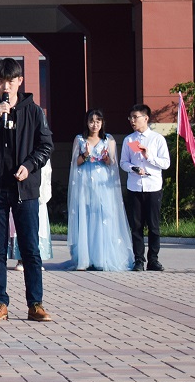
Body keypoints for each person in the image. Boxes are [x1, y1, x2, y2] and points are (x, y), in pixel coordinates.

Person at [0, 57, 54, 322]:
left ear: (20, 81)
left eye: (10, 81)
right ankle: (0, 303)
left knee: (30, 248)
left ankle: (35, 304)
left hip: (24, 189)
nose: (5, 86)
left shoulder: (34, 111)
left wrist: (29, 166)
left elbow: (46, 146)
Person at [67, 109, 134, 271]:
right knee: (86, 215)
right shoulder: (80, 139)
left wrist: (106, 158)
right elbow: (75, 163)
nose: (94, 124)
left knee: (103, 215)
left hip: (103, 183)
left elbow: (112, 163)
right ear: (87, 122)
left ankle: (102, 257)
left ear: (102, 123)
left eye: (98, 121)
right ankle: (85, 258)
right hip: (85, 182)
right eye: (91, 121)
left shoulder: (108, 139)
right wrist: (85, 154)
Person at [120, 103, 170, 272]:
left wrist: (149, 156)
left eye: (136, 117)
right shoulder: (129, 140)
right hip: (135, 187)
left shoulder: (157, 139)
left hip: (153, 187)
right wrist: (133, 168)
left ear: (146, 118)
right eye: (130, 117)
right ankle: (139, 260)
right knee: (136, 226)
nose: (132, 121)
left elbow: (166, 163)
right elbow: (123, 162)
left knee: (154, 226)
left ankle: (153, 260)